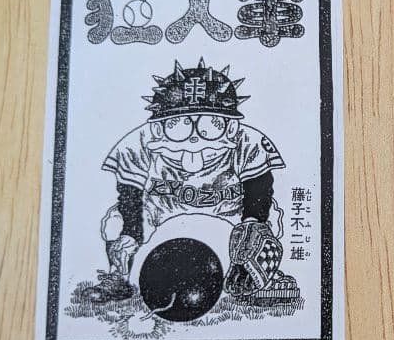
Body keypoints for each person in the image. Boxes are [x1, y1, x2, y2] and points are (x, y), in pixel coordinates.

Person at [95, 59, 294, 301]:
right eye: (178, 124)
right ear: (158, 128)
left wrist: (253, 222)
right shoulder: (138, 144)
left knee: (264, 227)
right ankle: (118, 277)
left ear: (231, 127)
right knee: (115, 223)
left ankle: (259, 279)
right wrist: (130, 233)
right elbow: (130, 194)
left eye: (210, 124)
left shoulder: (247, 141)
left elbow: (258, 188)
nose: (194, 138)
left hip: (228, 206)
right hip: (161, 205)